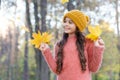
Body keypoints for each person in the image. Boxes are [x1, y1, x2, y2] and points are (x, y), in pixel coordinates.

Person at [39, 10, 105, 80]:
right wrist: (46, 51)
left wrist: (98, 48)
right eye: (65, 21)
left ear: (78, 25)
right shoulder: (59, 45)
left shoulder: (87, 42)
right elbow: (56, 70)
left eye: (70, 22)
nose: (66, 24)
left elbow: (93, 68)